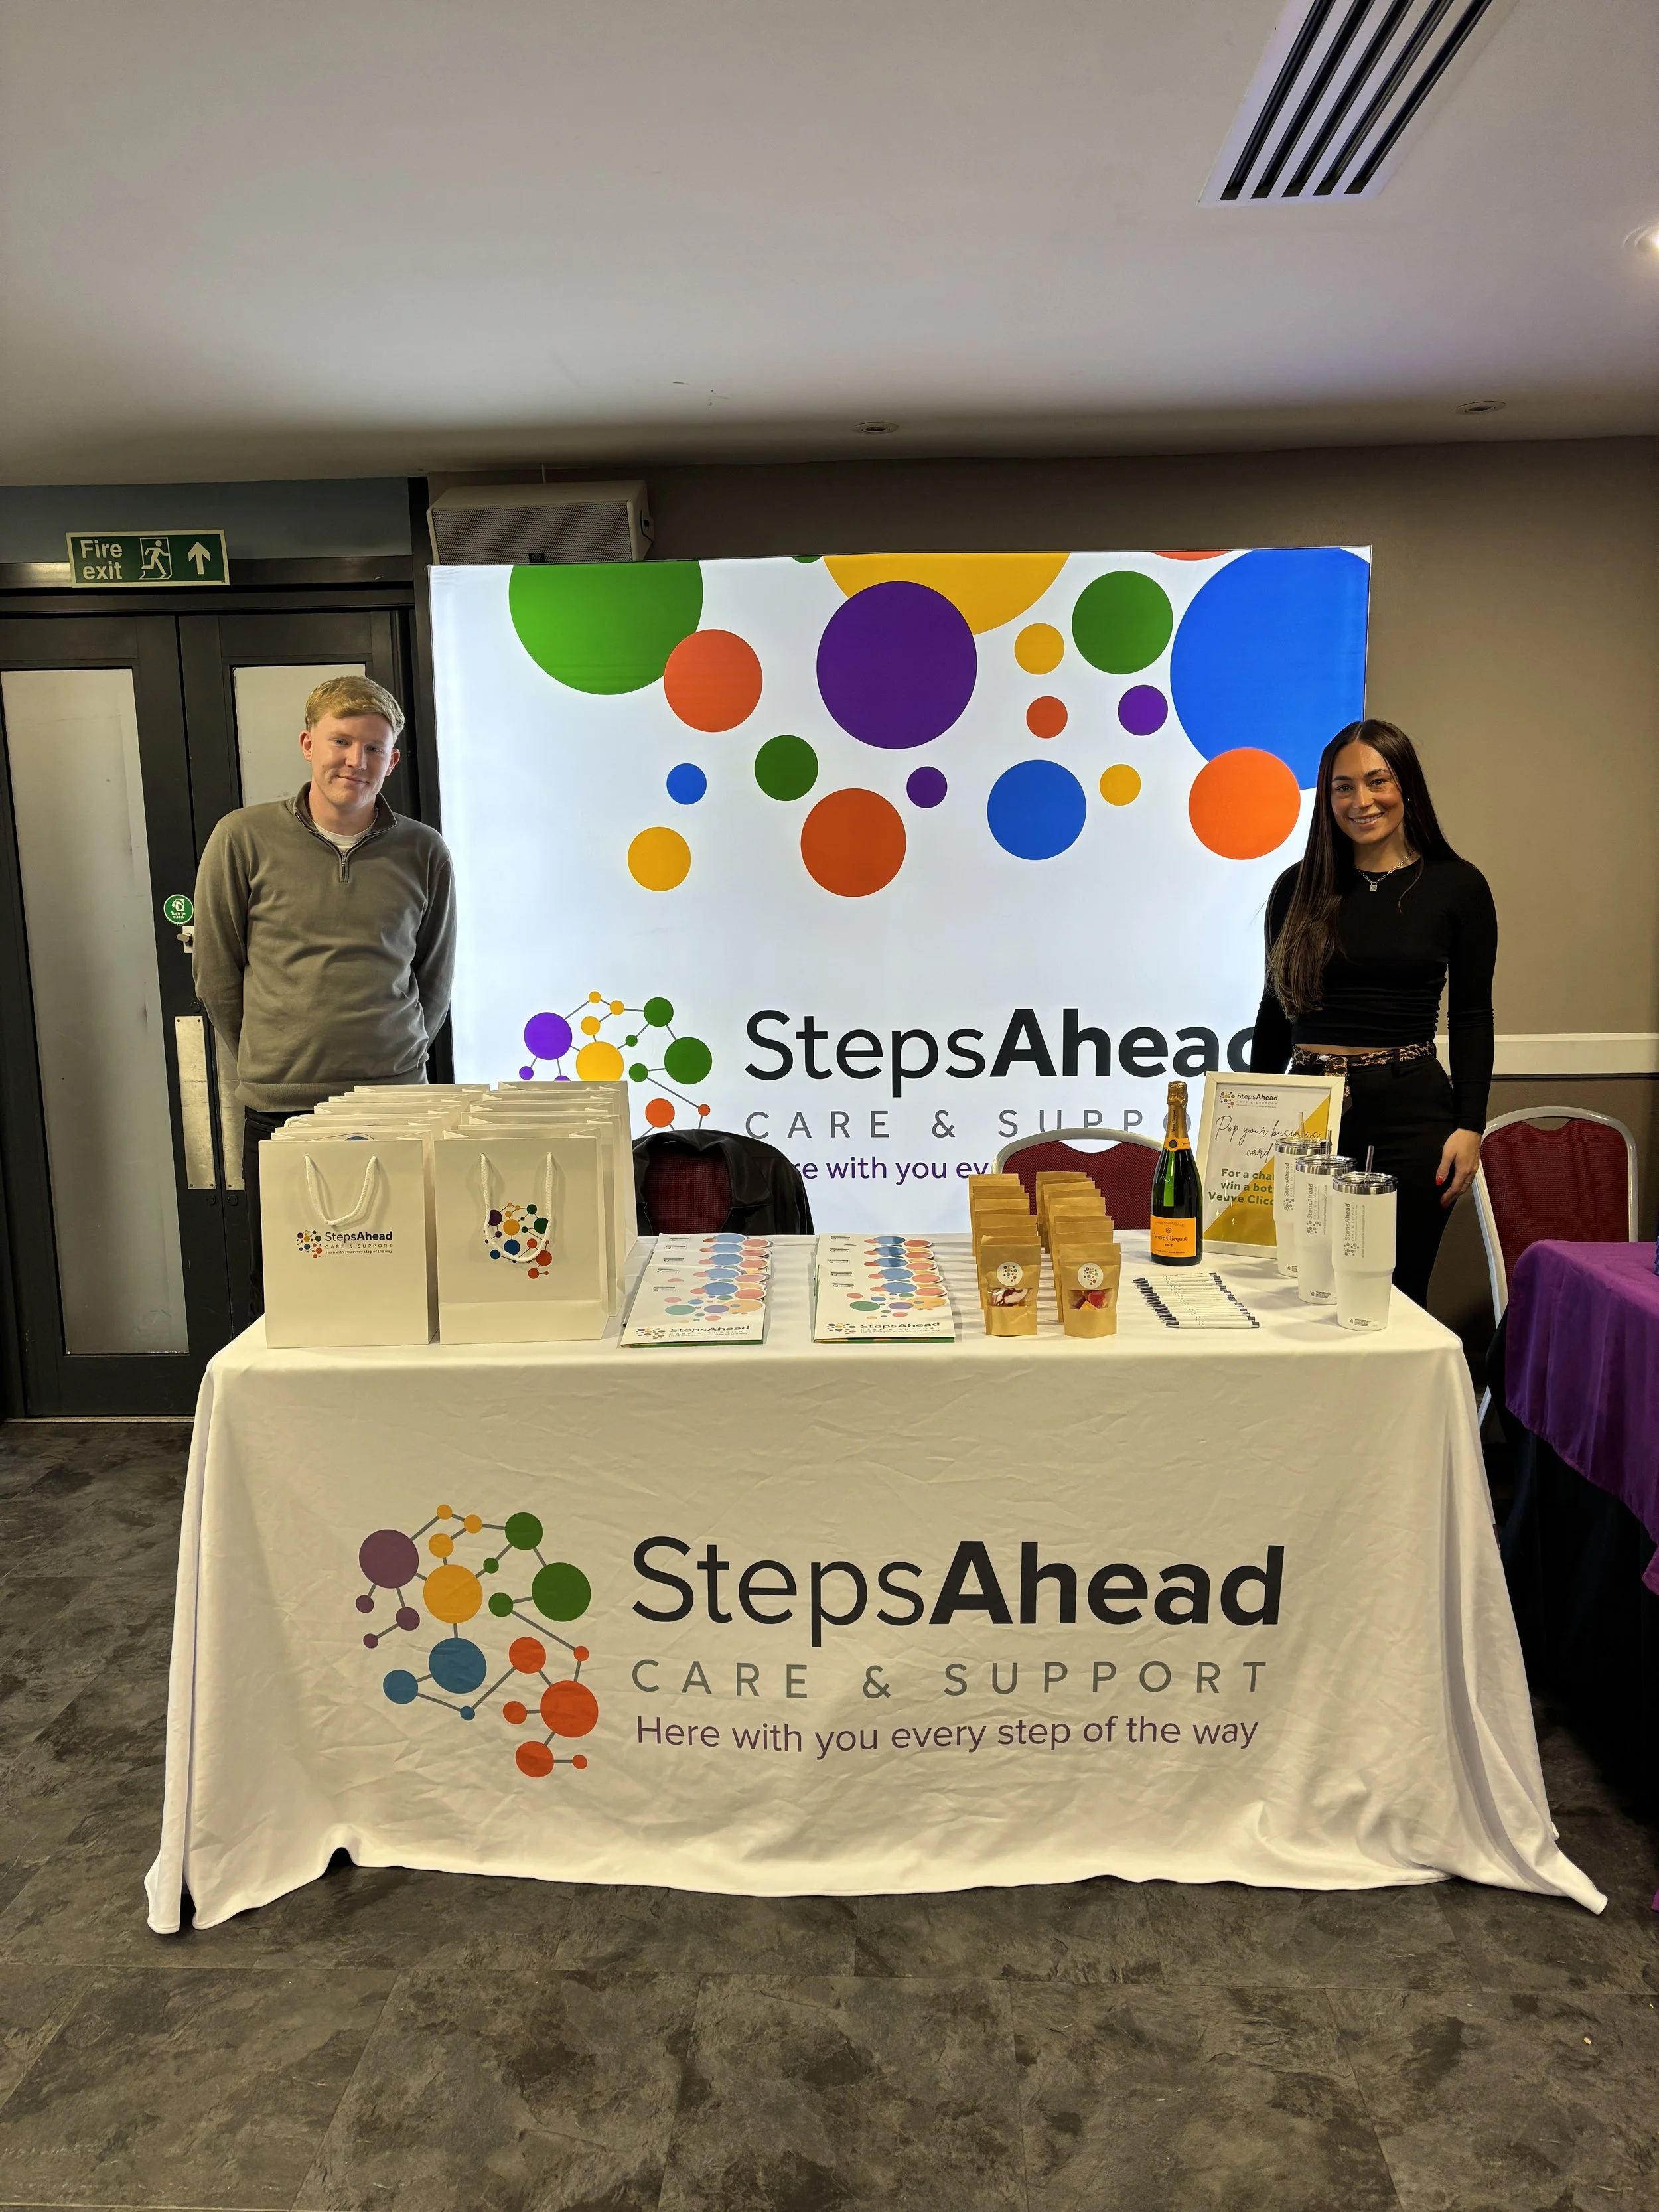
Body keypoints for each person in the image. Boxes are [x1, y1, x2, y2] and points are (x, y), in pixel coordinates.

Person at [193, 674, 455, 1309]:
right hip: (284, 1107)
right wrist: (272, 1047)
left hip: (392, 1104)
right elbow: (218, 973)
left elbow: (435, 974)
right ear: (309, 743)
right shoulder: (242, 838)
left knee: (398, 1284)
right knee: (288, 1290)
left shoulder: (424, 851)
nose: (355, 761)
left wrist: (405, 1050)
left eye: (373, 749)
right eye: (341, 742)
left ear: (392, 760)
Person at [1249, 719, 1496, 1308]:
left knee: (1396, 1296)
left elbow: (1471, 1015)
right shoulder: (1298, 887)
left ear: (1406, 785)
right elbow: (1274, 1011)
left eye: (1377, 781)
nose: (1361, 801)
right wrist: (1256, 1112)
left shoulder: (1457, 886)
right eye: (1342, 787)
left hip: (1412, 1116)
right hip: (1308, 1112)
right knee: (1299, 1289)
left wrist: (1471, 1124)